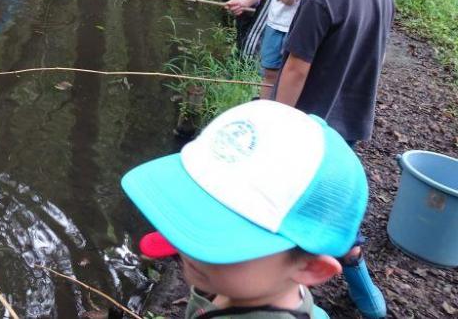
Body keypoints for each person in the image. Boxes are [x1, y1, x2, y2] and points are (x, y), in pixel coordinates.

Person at [274, 0, 410, 319]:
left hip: (309, 127)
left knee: (300, 206)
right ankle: (359, 281)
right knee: (334, 200)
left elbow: (295, 69)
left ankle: (296, 296)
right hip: (349, 123)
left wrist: (276, 120)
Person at [120, 100, 367, 319]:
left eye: (218, 235)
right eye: (195, 211)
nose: (187, 249)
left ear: (311, 268)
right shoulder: (255, 286)